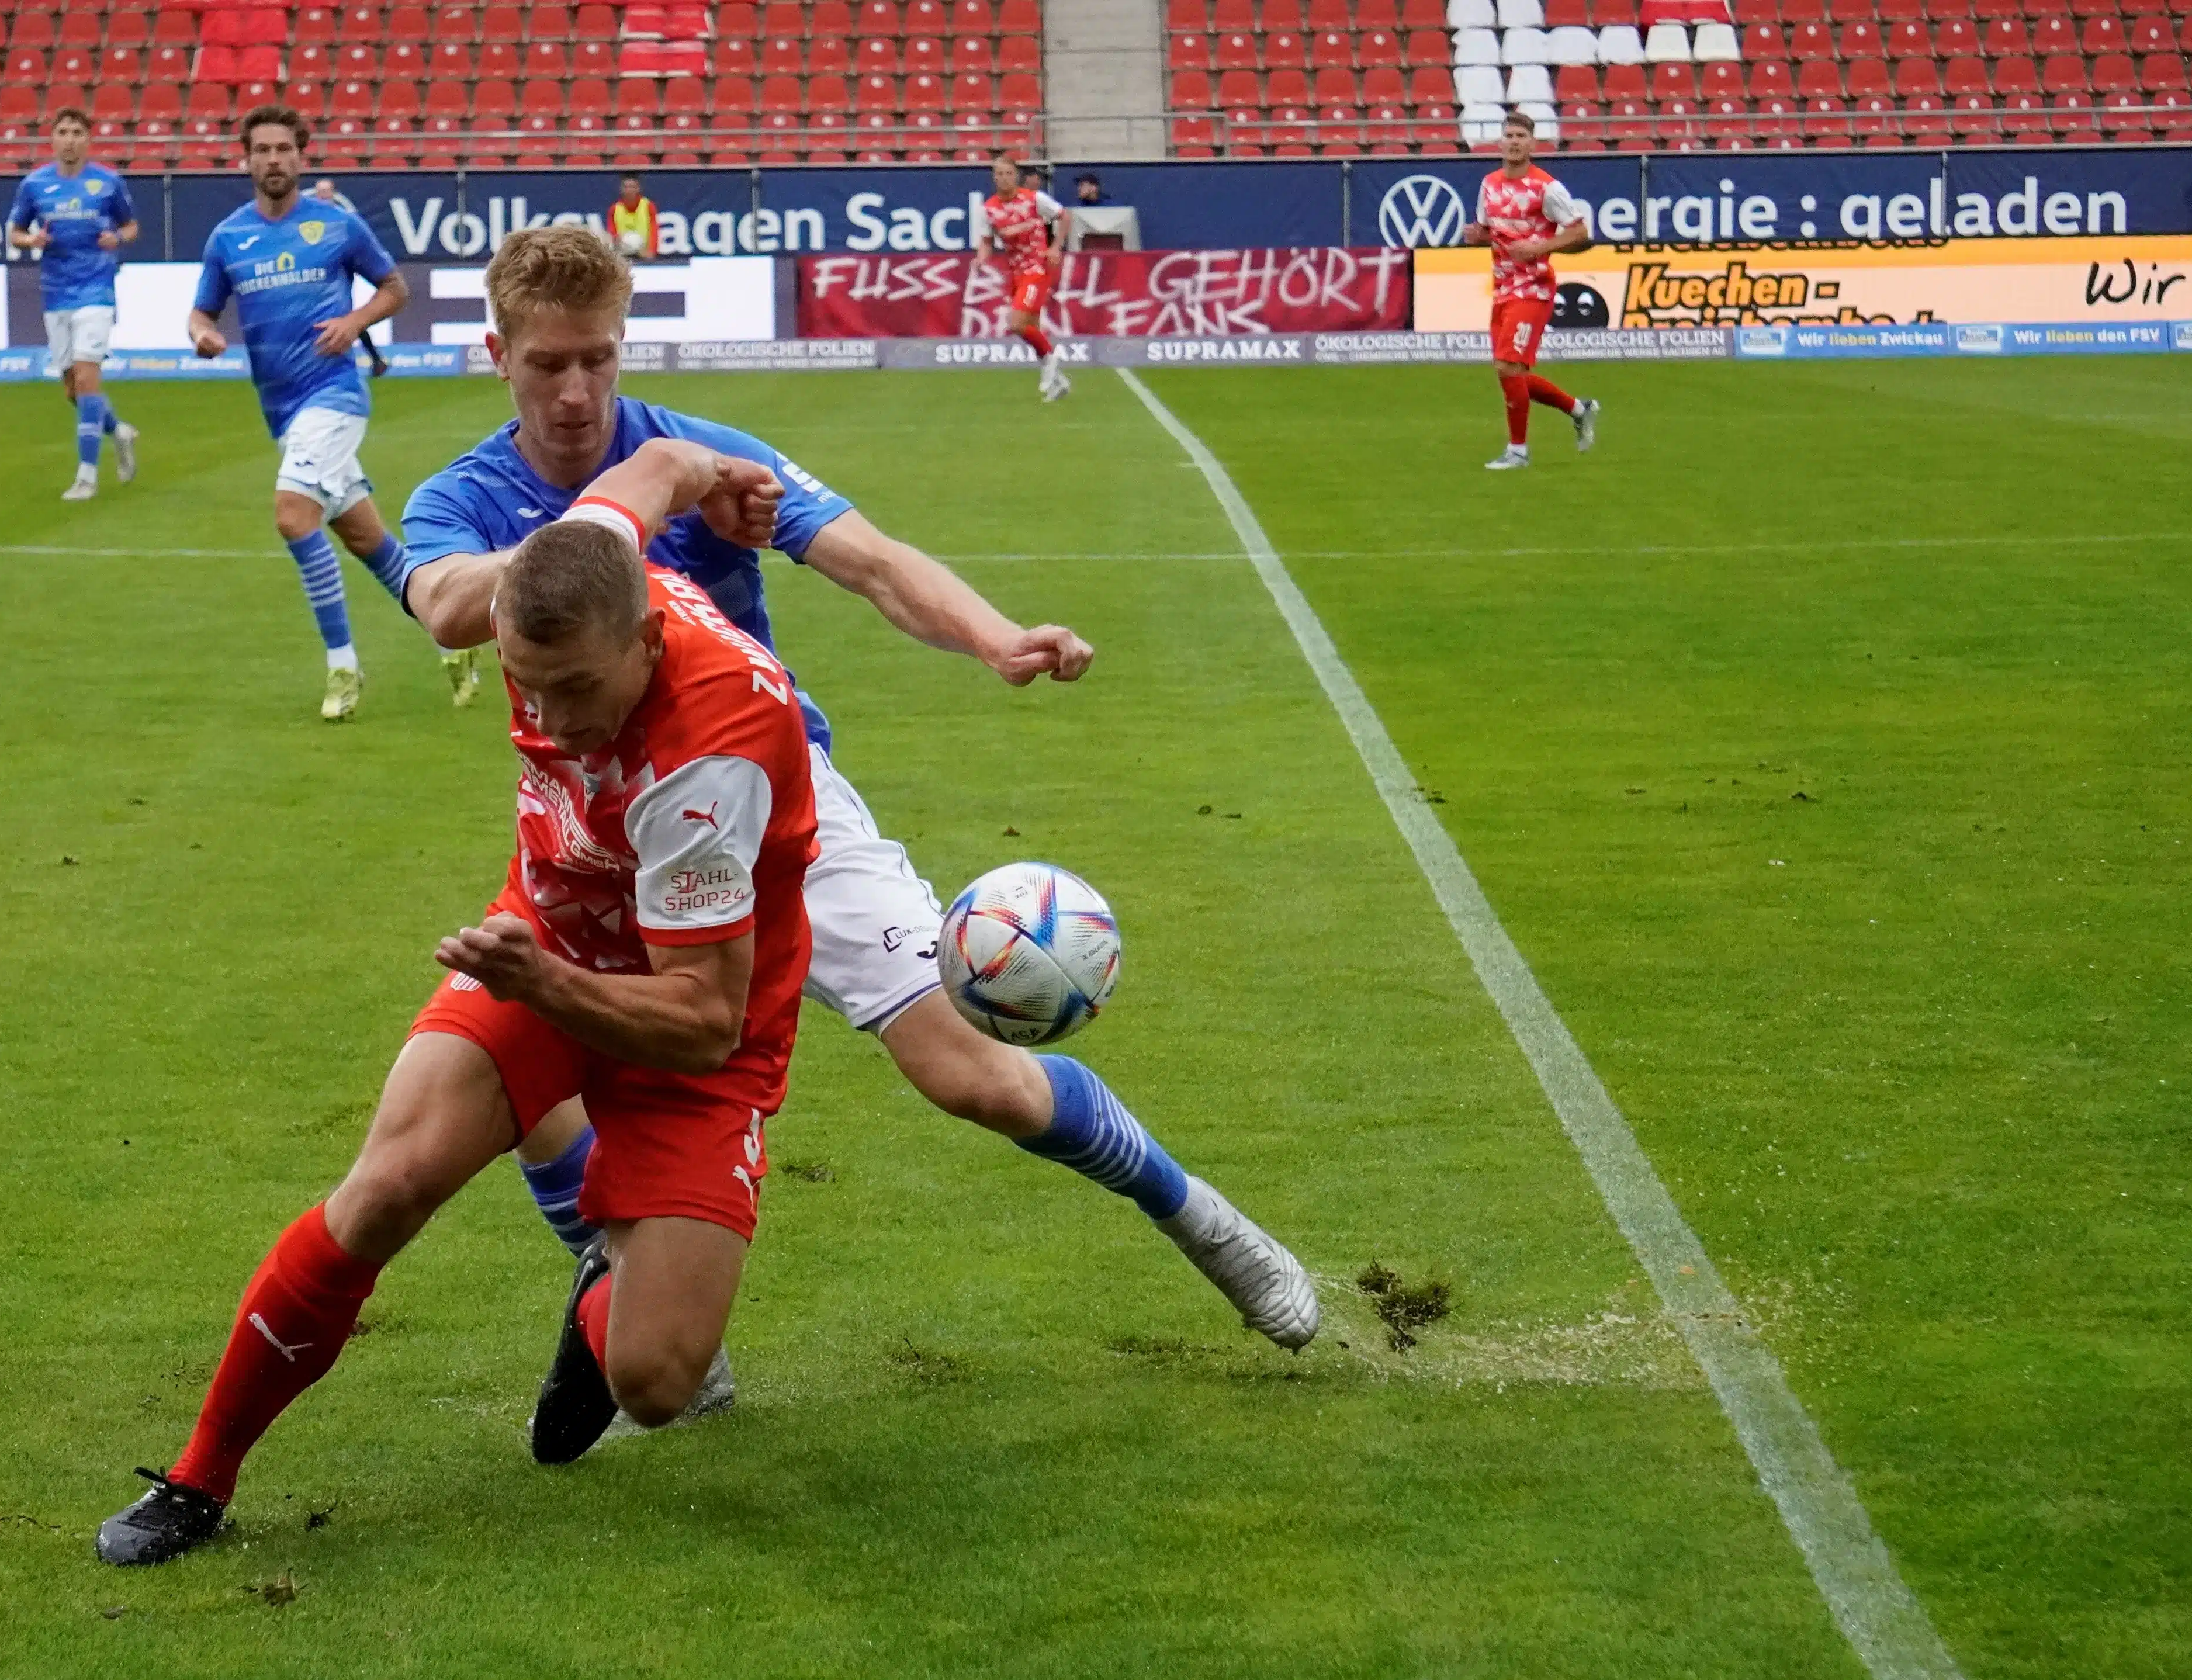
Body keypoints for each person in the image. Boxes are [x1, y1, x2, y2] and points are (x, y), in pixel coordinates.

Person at [371, 227, 1318, 1428]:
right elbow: (452, 605)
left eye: (598, 362)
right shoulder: (470, 493)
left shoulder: (712, 461)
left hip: (779, 811)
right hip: (600, 850)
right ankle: (624, 1287)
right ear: (495, 353)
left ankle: (1205, 1223)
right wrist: (627, 515)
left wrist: (993, 637)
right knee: (523, 1063)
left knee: (970, 1074)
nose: (574, 393)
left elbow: (871, 563)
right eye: (547, 364)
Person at [95, 438, 817, 1565]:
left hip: (691, 1017)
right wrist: (724, 480)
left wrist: (541, 982)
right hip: (549, 932)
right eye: (529, 687)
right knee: (385, 1184)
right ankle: (196, 1481)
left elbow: (702, 1020)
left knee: (659, 1382)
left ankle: (605, 1294)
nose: (554, 720)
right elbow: (661, 465)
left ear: (644, 638)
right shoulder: (584, 561)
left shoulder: (705, 760)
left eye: (578, 692)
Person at [189, 105, 475, 721]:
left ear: (301, 155)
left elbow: (395, 287)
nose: (272, 160)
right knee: (368, 539)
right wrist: (203, 334)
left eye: (282, 149)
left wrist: (354, 321)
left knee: (294, 518)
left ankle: (343, 665)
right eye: (261, 149)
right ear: (246, 159)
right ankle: (449, 637)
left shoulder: (335, 225)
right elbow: (203, 311)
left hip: (336, 397)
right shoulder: (227, 238)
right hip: (285, 412)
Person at [8, 108, 141, 503]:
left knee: (86, 378)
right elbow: (14, 232)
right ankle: (118, 431)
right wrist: (30, 242)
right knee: (72, 389)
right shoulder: (35, 185)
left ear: (88, 139)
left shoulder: (107, 182)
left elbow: (131, 225)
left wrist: (117, 238)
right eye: (63, 132)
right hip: (55, 292)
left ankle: (86, 477)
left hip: (96, 290)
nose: (69, 139)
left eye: (77, 132)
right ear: (53, 139)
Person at [1460, 111, 1602, 472]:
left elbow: (1582, 234)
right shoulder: (1489, 184)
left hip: (1534, 289)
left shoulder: (1547, 188)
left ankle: (1518, 452)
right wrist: (1478, 237)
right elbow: (1492, 232)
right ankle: (1578, 409)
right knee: (1511, 372)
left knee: (1508, 367)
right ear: (1500, 142)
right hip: (1503, 288)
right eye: (1509, 135)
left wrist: (1539, 248)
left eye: (1521, 135)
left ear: (1532, 144)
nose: (1514, 141)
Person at [975, 155, 1070, 402]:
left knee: (1016, 324)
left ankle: (1052, 358)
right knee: (1031, 329)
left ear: (1015, 176)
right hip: (1016, 272)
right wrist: (981, 258)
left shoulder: (1034, 199)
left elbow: (1064, 216)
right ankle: (1059, 382)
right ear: (993, 177)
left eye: (1008, 173)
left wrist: (1056, 247)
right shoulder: (988, 209)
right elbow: (987, 241)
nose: (1004, 178)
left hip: (1037, 268)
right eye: (999, 174)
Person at [306, 176, 389, 377]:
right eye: (320, 192)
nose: (323, 196)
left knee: (344, 315)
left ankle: (375, 359)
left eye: (326, 192)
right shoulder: (308, 219)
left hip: (339, 272)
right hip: (315, 274)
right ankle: (375, 360)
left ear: (333, 194)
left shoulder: (344, 220)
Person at [607, 172, 658, 259]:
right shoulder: (614, 209)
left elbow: (654, 230)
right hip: (622, 254)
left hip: (643, 253)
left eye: (632, 187)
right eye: (626, 187)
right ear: (621, 189)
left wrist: (652, 251)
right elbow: (612, 232)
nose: (629, 190)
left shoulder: (648, 205)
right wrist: (616, 241)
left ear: (638, 188)